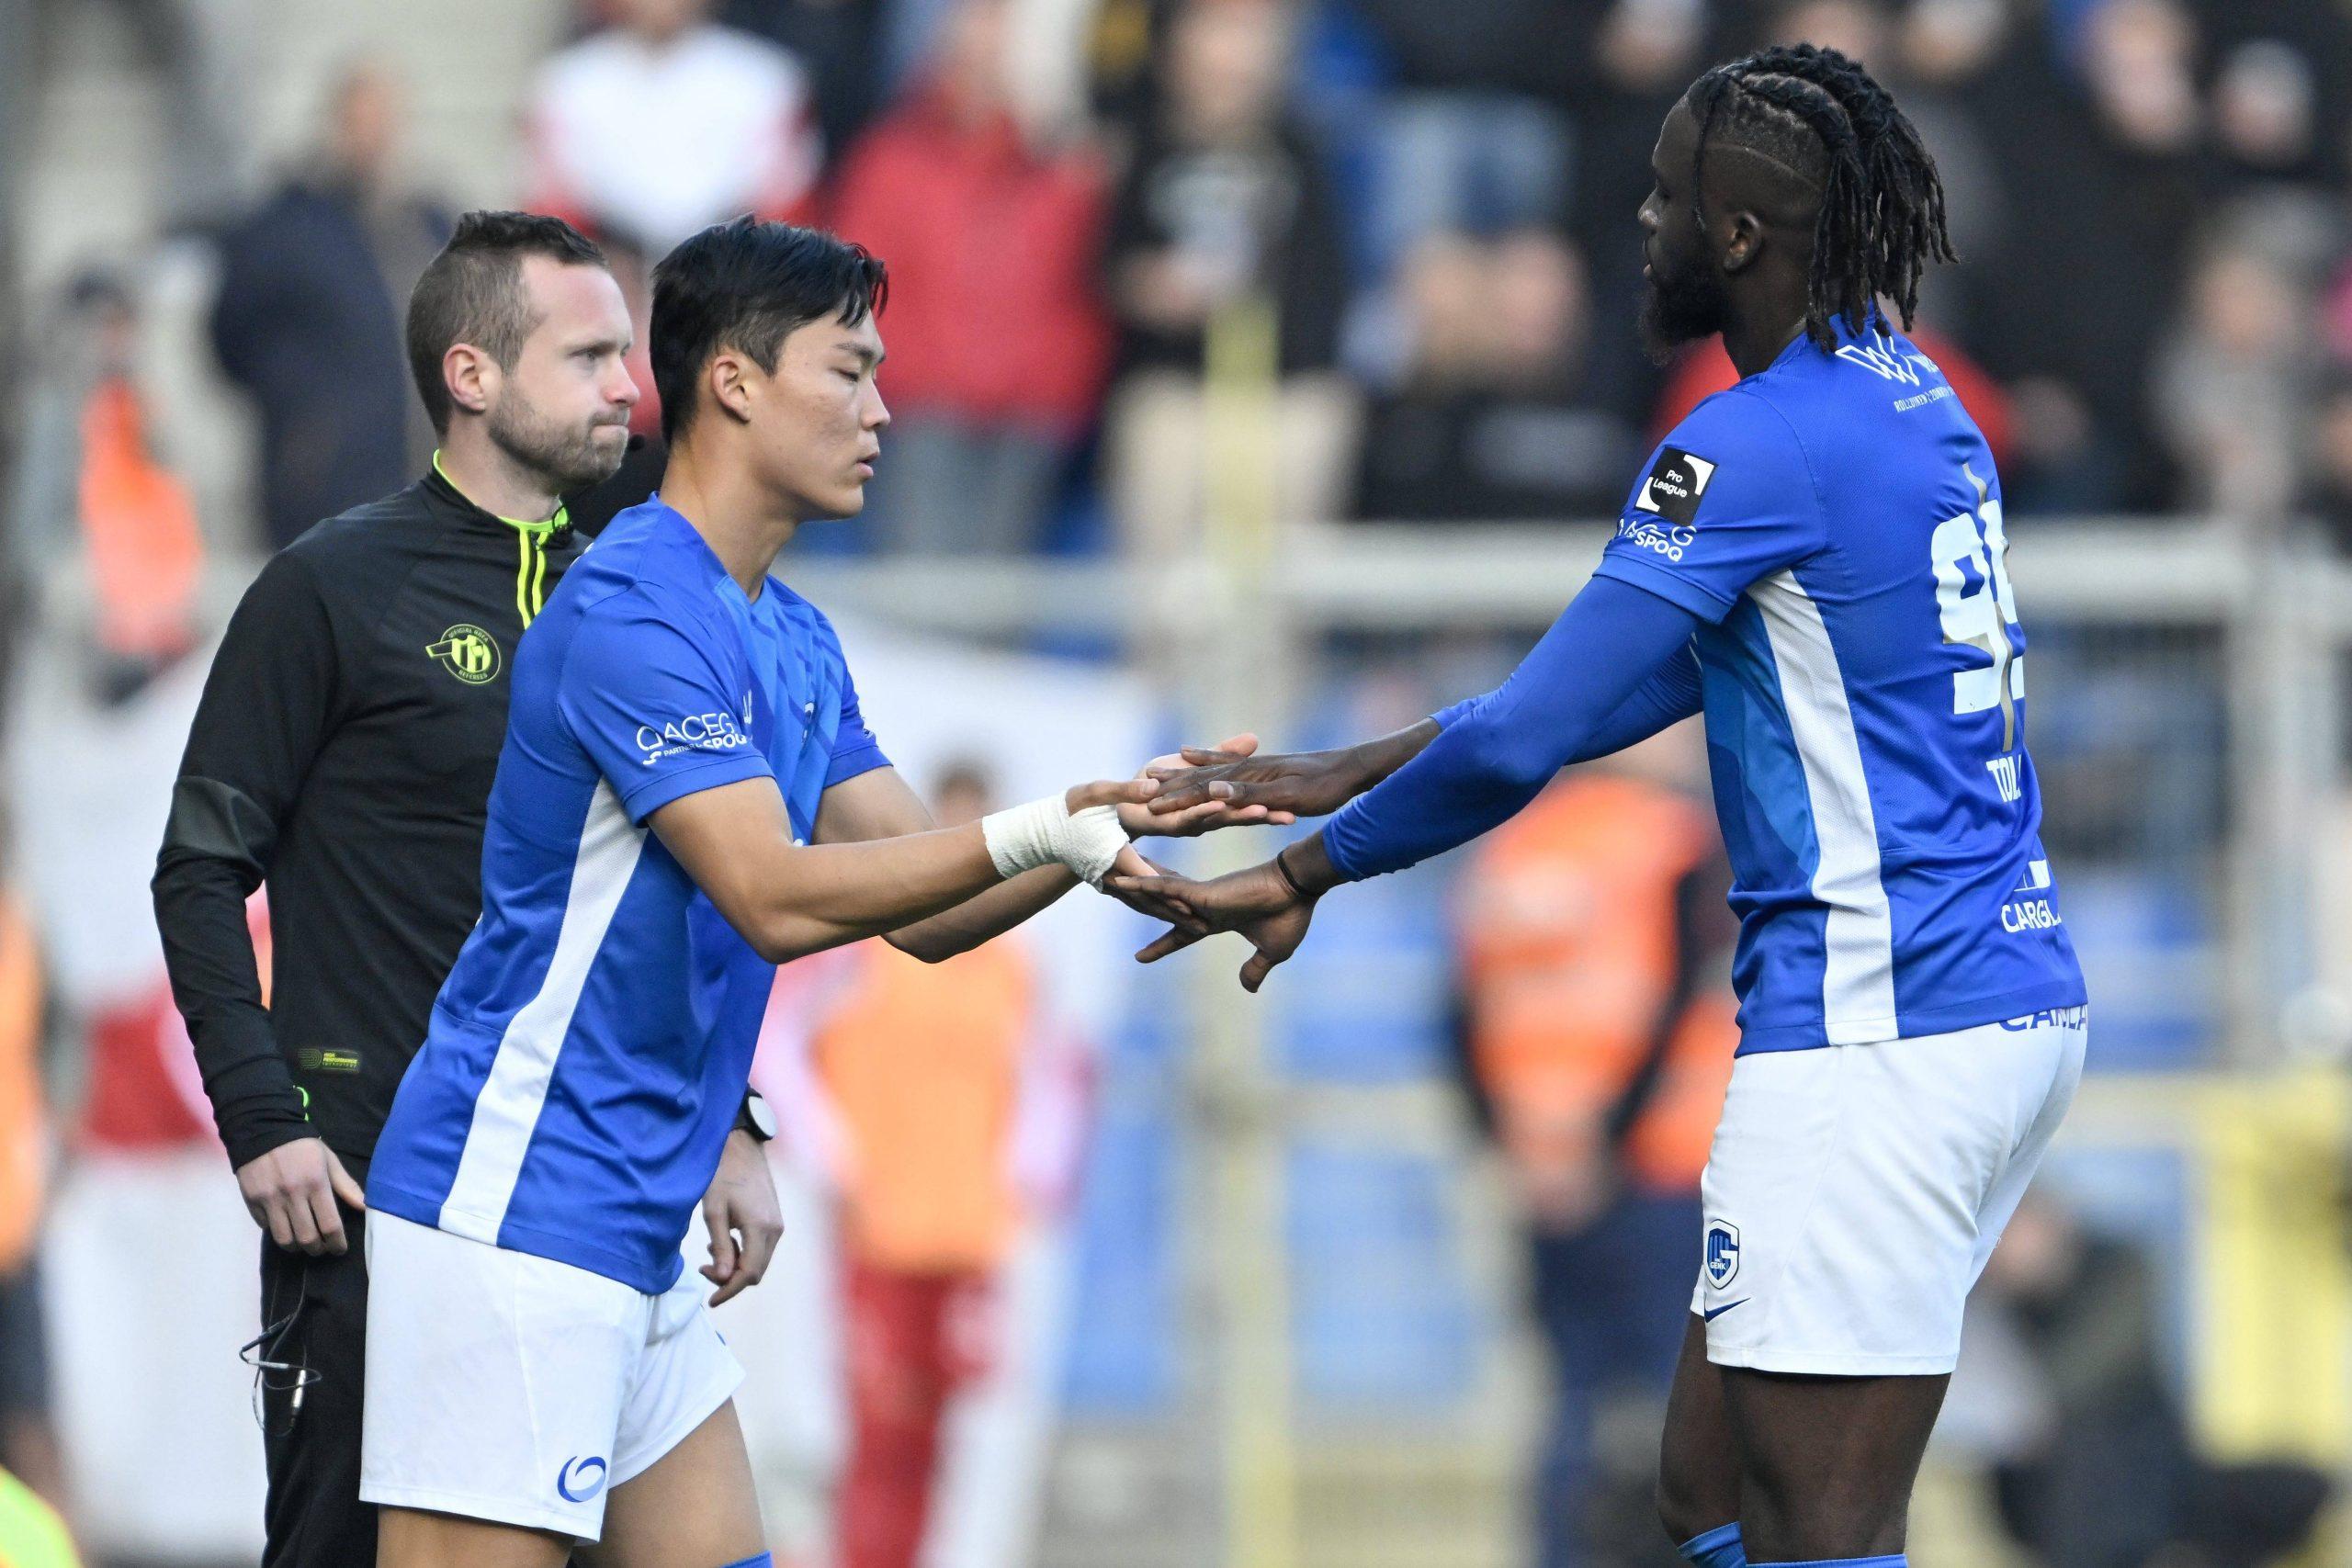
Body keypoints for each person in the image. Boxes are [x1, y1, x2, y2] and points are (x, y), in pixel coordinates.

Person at [1122, 44, 2088, 1568]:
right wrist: (1355, 761)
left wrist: (1305, 866)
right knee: (1703, 1493)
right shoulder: (1912, 402)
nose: (1639, 226)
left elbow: (1528, 741)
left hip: (1877, 1034)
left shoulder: (1749, 441)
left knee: (1824, 1523)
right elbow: (1676, 679)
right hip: (1989, 1001)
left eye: (1665, 201)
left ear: (1744, 237)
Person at [355, 217, 1263, 1568]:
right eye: (849, 371)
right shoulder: (631, 612)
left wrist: (1093, 842)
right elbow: (778, 897)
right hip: (517, 1214)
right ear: (732, 381)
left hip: (636, 1215)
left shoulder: (787, 628)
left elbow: (926, 913)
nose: (883, 408)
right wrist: (1048, 827)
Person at [152, 210, 741, 1568]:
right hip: (365, 1184)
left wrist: (736, 1116)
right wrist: (263, 1119)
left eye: (626, 354)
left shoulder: (632, 594)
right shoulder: (328, 587)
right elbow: (198, 867)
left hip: (574, 1185)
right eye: (589, 353)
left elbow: (674, 891)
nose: (626, 386)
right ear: (472, 375)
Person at [1449, 736, 1736, 1568]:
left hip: (1546, 1179)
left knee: (1573, 1402)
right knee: (1680, 1407)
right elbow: (1682, 994)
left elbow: (1461, 1017)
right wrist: (1605, 1141)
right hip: (1663, 1169)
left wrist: (1523, 1152)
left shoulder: (1513, 848)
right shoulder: (1675, 843)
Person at [800, 762, 1085, 1568]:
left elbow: (1050, 1078)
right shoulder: (867, 948)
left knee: (945, 1438)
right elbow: (781, 1047)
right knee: (875, 1431)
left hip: (968, 1235)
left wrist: (1030, 1181)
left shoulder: (1015, 965)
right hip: (878, 1231)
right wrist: (835, 1160)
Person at [210, 62, 454, 550]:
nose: (374, 137)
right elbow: (230, 333)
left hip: (418, 481)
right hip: (324, 491)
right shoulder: (287, 227)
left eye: (384, 120)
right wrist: (303, 421)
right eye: (359, 121)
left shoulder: (427, 224)